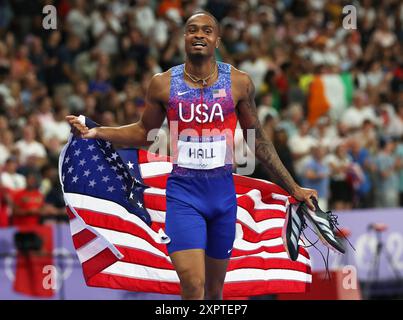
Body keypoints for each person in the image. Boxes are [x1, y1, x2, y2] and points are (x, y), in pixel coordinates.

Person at [66, 12, 319, 300]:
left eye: (207, 31)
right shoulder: (162, 84)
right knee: (193, 285)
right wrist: (97, 133)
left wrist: (294, 188)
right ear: (184, 38)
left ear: (217, 40)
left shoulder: (239, 82)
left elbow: (258, 141)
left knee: (214, 292)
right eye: (192, 30)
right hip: (183, 196)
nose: (199, 35)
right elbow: (142, 132)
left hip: (223, 197)